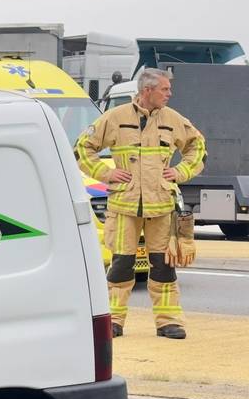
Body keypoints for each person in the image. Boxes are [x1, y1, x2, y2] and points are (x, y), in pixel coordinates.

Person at [76, 68, 206, 339]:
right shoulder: (115, 118)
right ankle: (113, 321)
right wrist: (106, 173)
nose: (169, 94)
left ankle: (169, 322)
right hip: (124, 206)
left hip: (161, 206)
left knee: (164, 265)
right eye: (165, 89)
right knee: (122, 265)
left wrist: (180, 172)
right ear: (148, 90)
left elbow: (198, 147)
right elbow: (82, 149)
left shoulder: (173, 119)